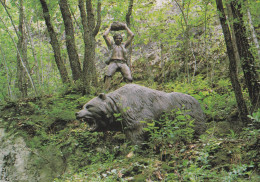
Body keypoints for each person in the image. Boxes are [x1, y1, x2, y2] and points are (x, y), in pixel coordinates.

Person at [103, 23, 134, 90]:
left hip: (123, 63)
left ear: (121, 39)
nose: (118, 39)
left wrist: (126, 27)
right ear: (114, 39)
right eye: (116, 38)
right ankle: (104, 92)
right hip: (113, 62)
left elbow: (132, 35)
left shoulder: (124, 45)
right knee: (108, 75)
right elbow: (105, 35)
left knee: (129, 77)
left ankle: (131, 91)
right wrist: (110, 27)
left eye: (120, 38)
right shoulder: (111, 45)